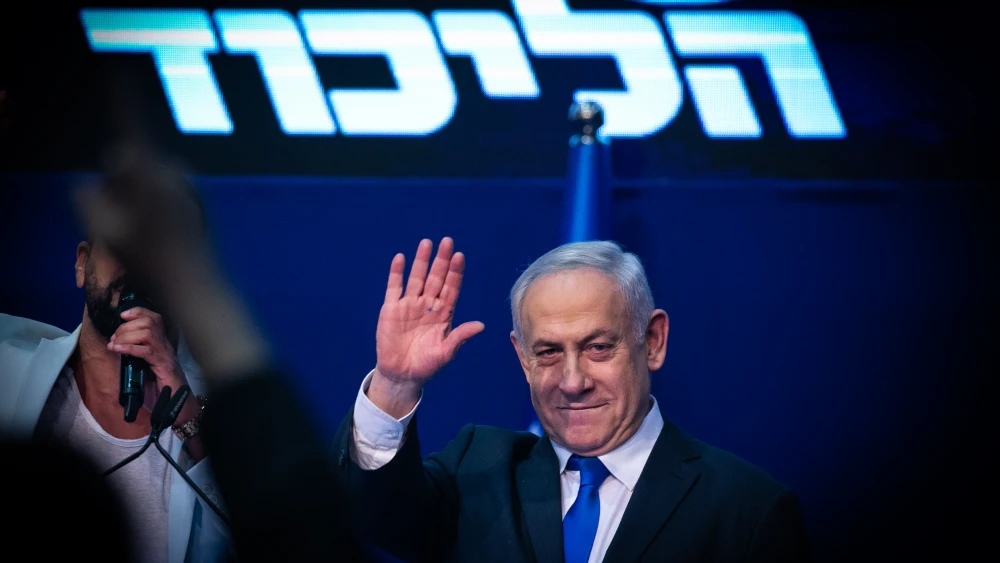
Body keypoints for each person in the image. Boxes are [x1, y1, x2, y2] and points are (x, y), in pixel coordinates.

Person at [329, 237, 812, 562]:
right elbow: (376, 519)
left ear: (654, 341)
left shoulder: (747, 508)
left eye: (598, 347)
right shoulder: (477, 469)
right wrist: (394, 383)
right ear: (522, 358)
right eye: (548, 352)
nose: (573, 380)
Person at [0, 165, 232, 563]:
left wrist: (188, 414)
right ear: (82, 263)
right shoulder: (7, 364)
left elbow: (271, 538)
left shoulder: (233, 421)